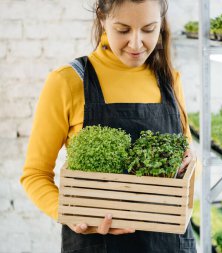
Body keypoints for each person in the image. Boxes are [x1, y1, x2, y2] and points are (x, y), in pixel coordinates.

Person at [20, 0, 197, 252]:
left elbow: (188, 163)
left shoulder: (169, 78)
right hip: (97, 242)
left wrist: (188, 166)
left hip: (168, 242)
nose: (136, 43)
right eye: (123, 29)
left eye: (149, 29)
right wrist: (71, 214)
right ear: (102, 18)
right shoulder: (68, 81)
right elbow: (35, 174)